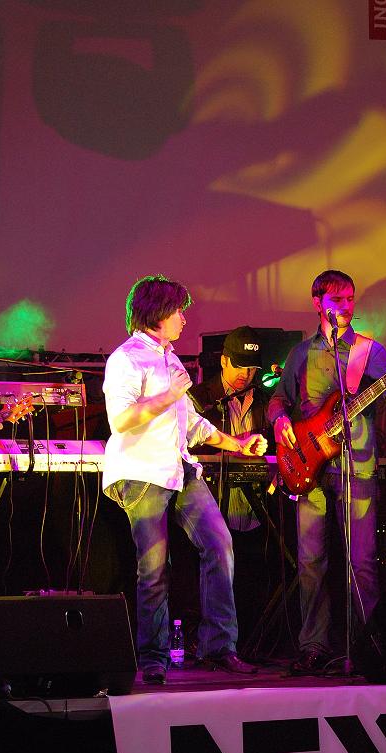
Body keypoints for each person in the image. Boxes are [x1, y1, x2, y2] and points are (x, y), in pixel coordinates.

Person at [102, 275, 267, 684]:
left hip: (179, 469)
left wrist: (238, 444)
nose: (184, 319)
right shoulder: (126, 359)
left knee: (220, 544)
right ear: (158, 313)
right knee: (154, 567)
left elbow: (192, 425)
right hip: (142, 473)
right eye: (178, 311)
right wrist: (169, 396)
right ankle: (153, 658)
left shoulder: (172, 361)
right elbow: (121, 420)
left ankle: (219, 647)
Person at [268, 268, 386, 675]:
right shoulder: (300, 354)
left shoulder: (368, 352)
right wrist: (280, 421)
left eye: (350, 299)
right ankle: (313, 646)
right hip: (309, 468)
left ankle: (369, 647)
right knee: (311, 563)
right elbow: (278, 399)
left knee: (362, 562)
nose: (345, 306)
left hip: (356, 467)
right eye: (337, 299)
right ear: (317, 303)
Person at [191, 326, 274, 648]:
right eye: (239, 366)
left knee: (252, 582)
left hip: (256, 512)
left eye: (252, 368)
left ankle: (250, 646)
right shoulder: (200, 398)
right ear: (224, 361)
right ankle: (209, 645)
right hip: (212, 507)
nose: (245, 374)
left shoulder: (266, 401)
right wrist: (231, 446)